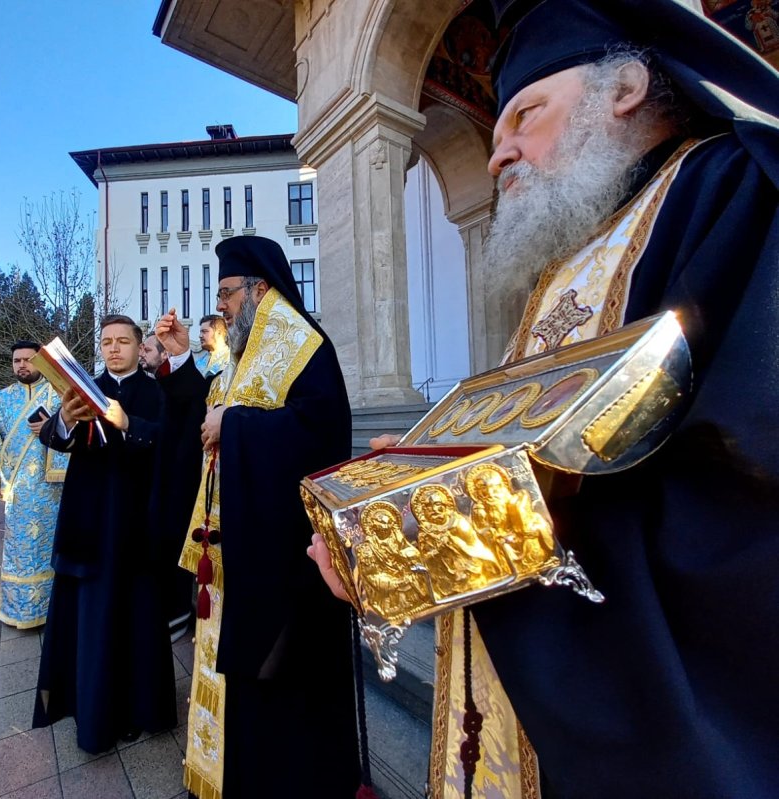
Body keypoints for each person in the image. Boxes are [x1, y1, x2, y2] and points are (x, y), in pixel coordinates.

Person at [311, 2, 779, 796]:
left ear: (625, 88)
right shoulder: (571, 262)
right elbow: (525, 447)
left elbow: (739, 489)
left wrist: (430, 538)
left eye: (525, 116)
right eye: (494, 136)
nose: (498, 158)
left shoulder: (730, 190)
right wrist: (416, 477)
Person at [153, 236, 360, 799]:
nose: (220, 305)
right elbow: (213, 411)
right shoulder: (246, 351)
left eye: (226, 293)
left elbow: (318, 435)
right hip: (235, 549)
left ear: (259, 288)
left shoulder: (302, 342)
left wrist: (235, 427)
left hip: (284, 558)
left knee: (285, 690)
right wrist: (177, 362)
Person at [32, 314, 176, 752]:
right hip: (88, 519)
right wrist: (66, 420)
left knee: (134, 619)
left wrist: (127, 423)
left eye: (123, 342)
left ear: (138, 347)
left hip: (135, 522)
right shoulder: (82, 388)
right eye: (107, 342)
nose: (114, 349)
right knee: (89, 618)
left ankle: (137, 711)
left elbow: (170, 443)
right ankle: (89, 708)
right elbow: (56, 440)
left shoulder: (157, 391)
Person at [0, 340, 68, 629]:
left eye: (28, 360)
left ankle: (55, 610)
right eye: (16, 361)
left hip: (56, 488)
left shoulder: (60, 393)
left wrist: (54, 426)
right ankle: (21, 611)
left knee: (55, 546)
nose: (22, 365)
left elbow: (78, 431)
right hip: (18, 490)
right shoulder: (0, 399)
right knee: (19, 550)